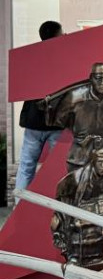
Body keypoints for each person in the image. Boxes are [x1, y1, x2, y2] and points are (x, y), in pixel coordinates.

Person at [15, 21, 64, 194]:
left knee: (26, 166)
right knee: (59, 168)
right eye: (61, 33)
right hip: (56, 122)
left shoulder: (31, 57)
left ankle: (20, 205)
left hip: (34, 121)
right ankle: (57, 206)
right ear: (56, 35)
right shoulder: (64, 58)